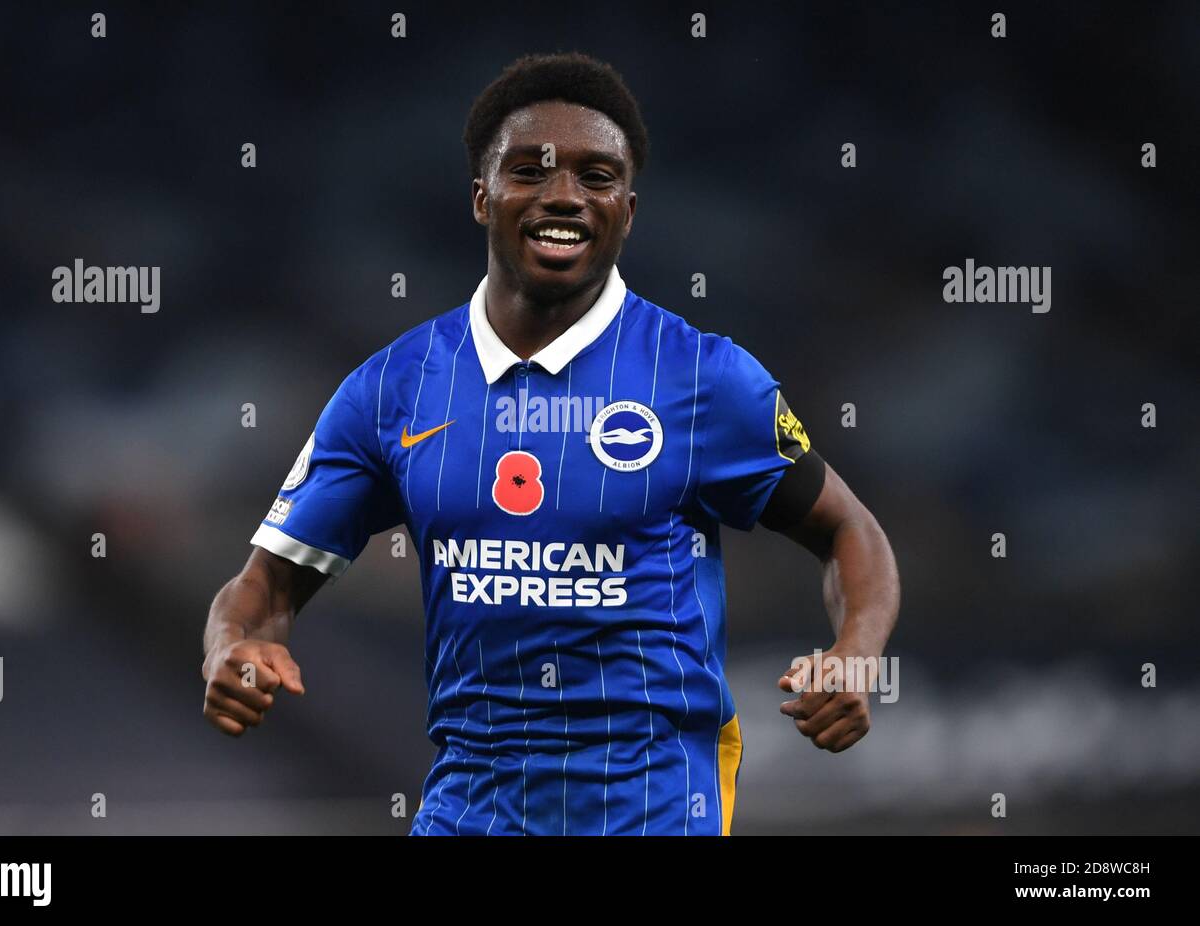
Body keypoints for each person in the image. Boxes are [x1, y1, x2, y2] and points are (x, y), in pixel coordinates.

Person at [202, 51, 900, 836]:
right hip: (469, 809)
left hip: (651, 810)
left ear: (627, 210)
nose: (564, 195)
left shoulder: (704, 379)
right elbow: (263, 589)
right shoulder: (392, 389)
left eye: (596, 176)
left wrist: (855, 652)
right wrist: (233, 647)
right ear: (481, 198)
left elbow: (852, 532)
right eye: (530, 171)